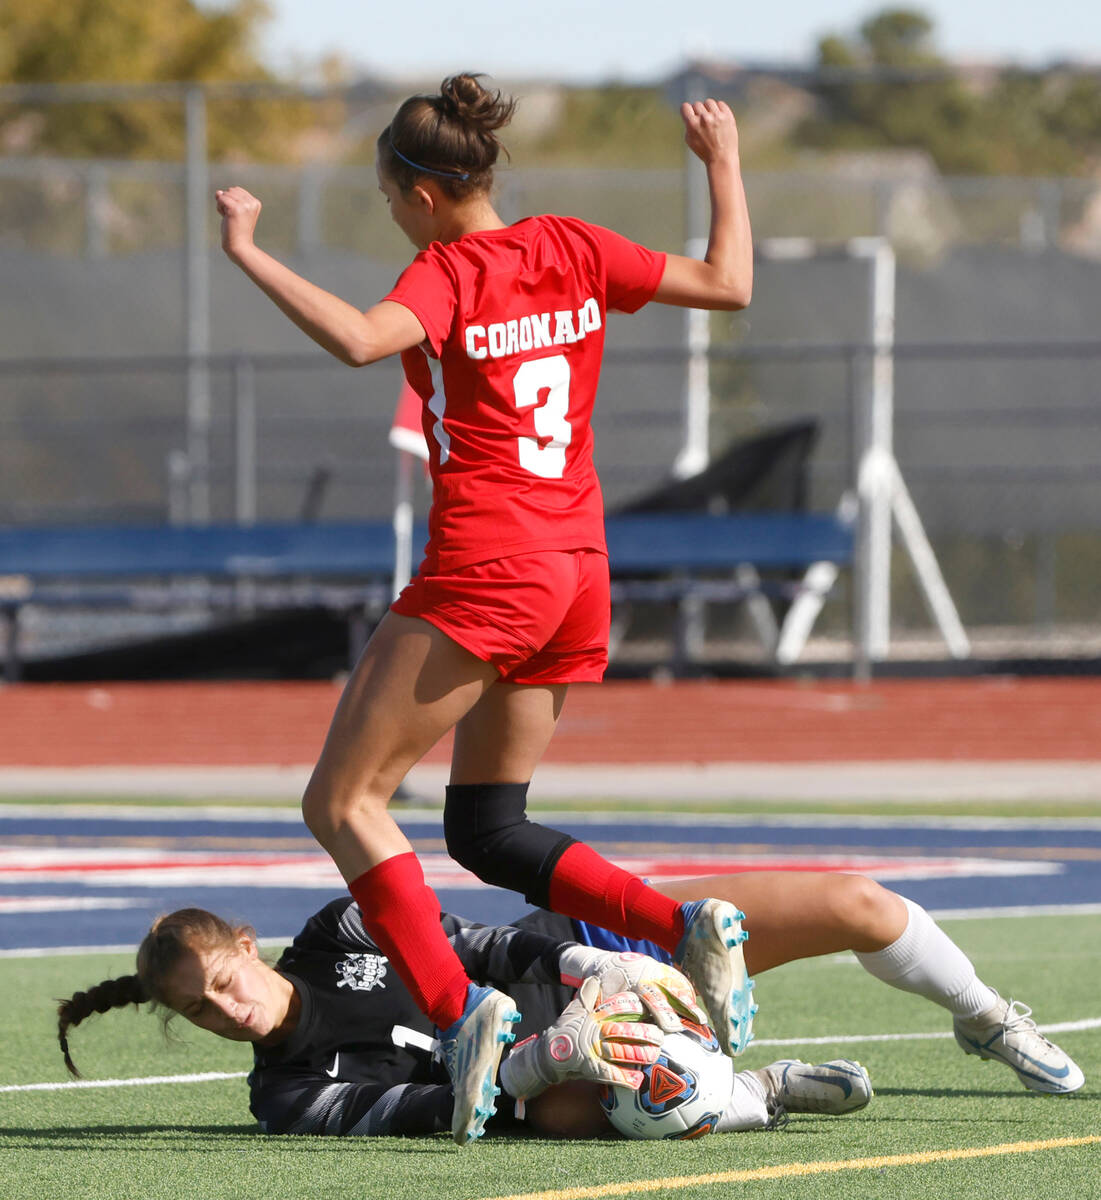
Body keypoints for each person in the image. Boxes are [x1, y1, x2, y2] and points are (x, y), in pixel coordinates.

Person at [214, 72, 757, 1144]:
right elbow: (728, 283)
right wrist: (722, 165)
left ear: (420, 194)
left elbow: (366, 340)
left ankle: (466, 1022)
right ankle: (682, 925)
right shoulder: (573, 245)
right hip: (579, 569)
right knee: (486, 827)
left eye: (384, 198)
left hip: (488, 567)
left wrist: (249, 253)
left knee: (343, 802)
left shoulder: (447, 271)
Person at [56, 872, 1081, 1142]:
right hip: (560, 1071)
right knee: (576, 1109)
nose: (225, 1011)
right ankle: (756, 1093)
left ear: (243, 944)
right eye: (200, 1014)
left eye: (222, 982)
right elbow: (436, 1115)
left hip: (589, 970)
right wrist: (548, 1055)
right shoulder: (282, 1097)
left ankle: (987, 1016)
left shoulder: (337, 929)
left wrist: (601, 964)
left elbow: (488, 944)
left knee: (855, 904)